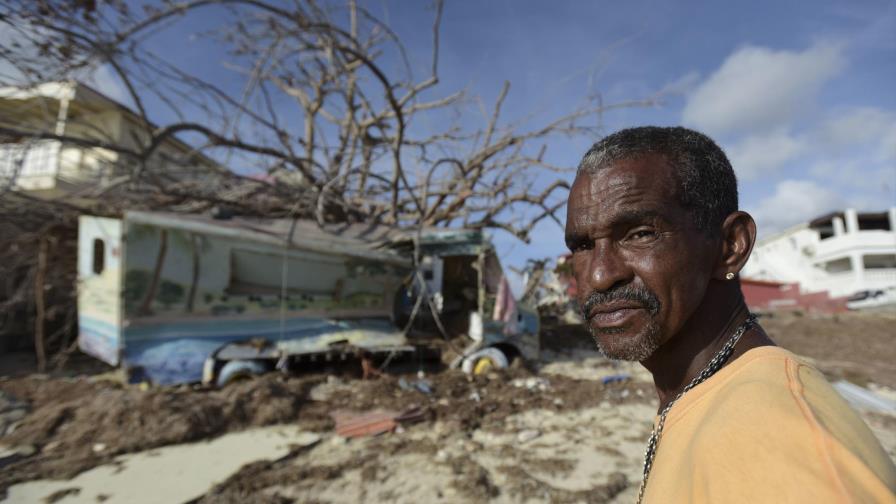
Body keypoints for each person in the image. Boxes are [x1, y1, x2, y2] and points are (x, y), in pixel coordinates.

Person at [564, 126, 896, 503]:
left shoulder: (778, 443)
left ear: (730, 246)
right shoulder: (707, 397)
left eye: (640, 234)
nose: (599, 274)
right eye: (583, 245)